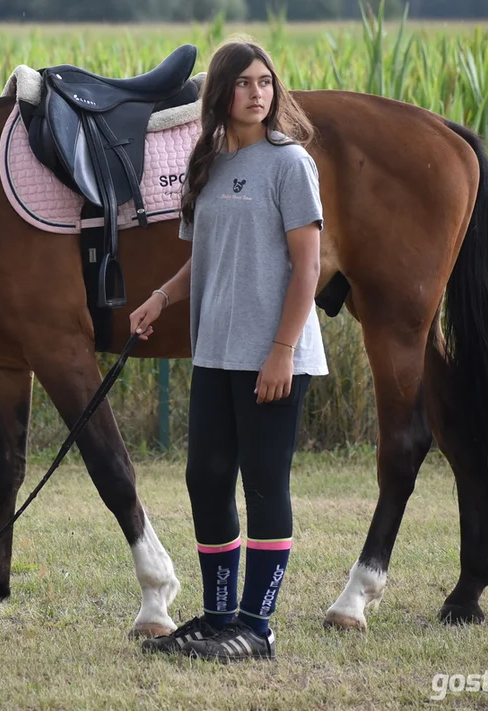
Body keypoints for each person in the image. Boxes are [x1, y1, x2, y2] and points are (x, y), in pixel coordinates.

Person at [130, 39, 327, 662]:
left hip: (273, 356)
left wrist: (282, 351)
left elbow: (308, 267)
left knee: (264, 483)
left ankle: (257, 628)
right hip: (214, 353)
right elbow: (206, 253)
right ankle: (218, 619)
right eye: (243, 83)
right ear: (221, 92)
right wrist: (161, 297)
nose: (257, 93)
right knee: (207, 480)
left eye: (265, 81)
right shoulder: (207, 163)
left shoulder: (290, 163)